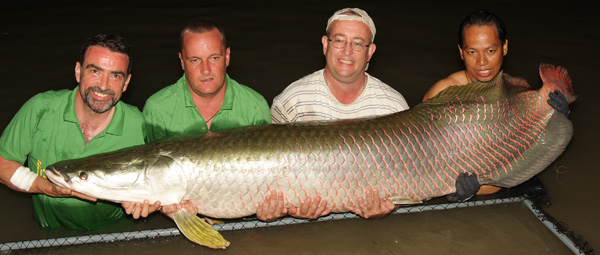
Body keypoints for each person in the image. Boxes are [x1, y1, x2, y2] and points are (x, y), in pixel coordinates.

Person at [263, 8, 410, 221]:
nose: (347, 51)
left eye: (358, 43)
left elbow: (408, 174)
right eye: (339, 41)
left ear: (370, 51)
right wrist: (282, 209)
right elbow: (270, 171)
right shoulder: (292, 101)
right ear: (325, 44)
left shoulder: (393, 107)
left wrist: (391, 204)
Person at [0, 34, 152, 230]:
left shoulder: (139, 125)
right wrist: (46, 187)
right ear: (78, 71)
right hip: (48, 230)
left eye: (115, 75)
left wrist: (143, 199)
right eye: (95, 71)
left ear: (126, 82)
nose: (104, 86)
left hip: (113, 230)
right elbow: (3, 163)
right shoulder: (40, 109)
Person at [141, 18, 271, 217]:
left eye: (214, 58)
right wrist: (163, 206)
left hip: (242, 213)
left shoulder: (255, 106)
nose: (206, 70)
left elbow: (267, 179)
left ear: (227, 57)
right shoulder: (157, 108)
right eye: (195, 60)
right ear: (182, 61)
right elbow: (151, 174)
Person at [422, 9, 508, 195]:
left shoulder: (516, 92)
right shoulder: (442, 95)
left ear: (505, 47)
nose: (482, 61)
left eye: (491, 50)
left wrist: (555, 117)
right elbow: (425, 159)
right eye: (472, 52)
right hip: (455, 191)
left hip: (509, 187)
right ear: (461, 52)